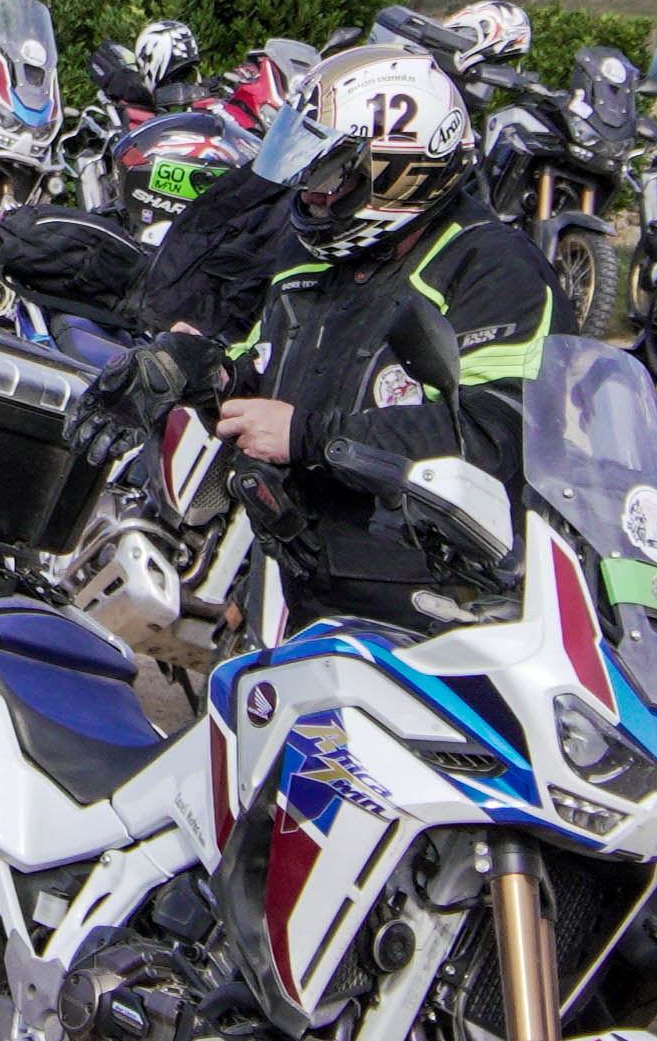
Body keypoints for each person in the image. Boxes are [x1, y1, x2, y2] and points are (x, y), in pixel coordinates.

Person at [154, 45, 555, 626]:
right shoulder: (314, 255)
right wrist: (199, 370)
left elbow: (499, 438)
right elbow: (265, 376)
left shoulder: (494, 268)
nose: (308, 192)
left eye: (327, 173)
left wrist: (311, 435)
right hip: (302, 571)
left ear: (398, 173)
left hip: (434, 597)